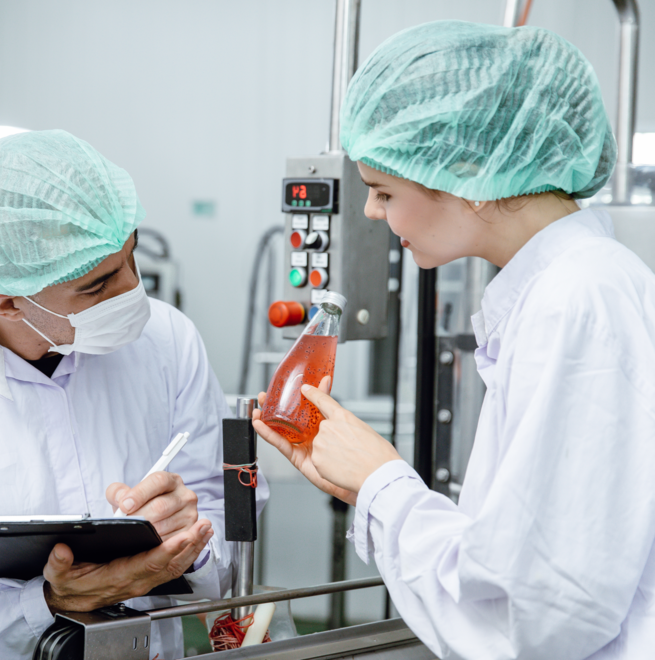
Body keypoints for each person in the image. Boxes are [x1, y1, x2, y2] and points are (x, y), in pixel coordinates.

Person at [253, 21, 655, 660]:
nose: (370, 214)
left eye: (384, 191)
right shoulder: (565, 292)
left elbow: (540, 617)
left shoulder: (575, 303)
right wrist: (363, 486)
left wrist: (384, 483)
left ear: (466, 172)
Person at [0, 129, 268, 660]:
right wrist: (47, 604)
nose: (132, 289)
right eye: (97, 286)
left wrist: (185, 545)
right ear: (6, 303)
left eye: (131, 256)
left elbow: (226, 542)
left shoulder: (167, 344)